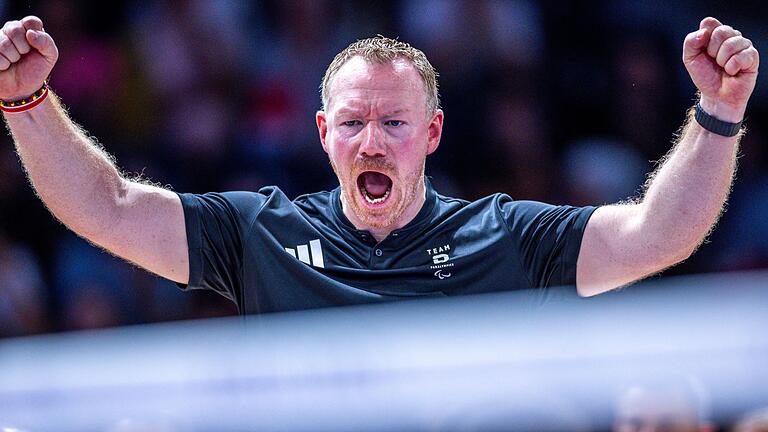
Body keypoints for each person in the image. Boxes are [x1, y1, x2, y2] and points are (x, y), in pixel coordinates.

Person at [0, 16, 759, 314]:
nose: (372, 142)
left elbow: (661, 233)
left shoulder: (506, 235)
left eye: (393, 123)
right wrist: (28, 103)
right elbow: (108, 206)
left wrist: (718, 114)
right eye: (354, 123)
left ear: (431, 134)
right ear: (324, 133)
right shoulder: (258, 232)